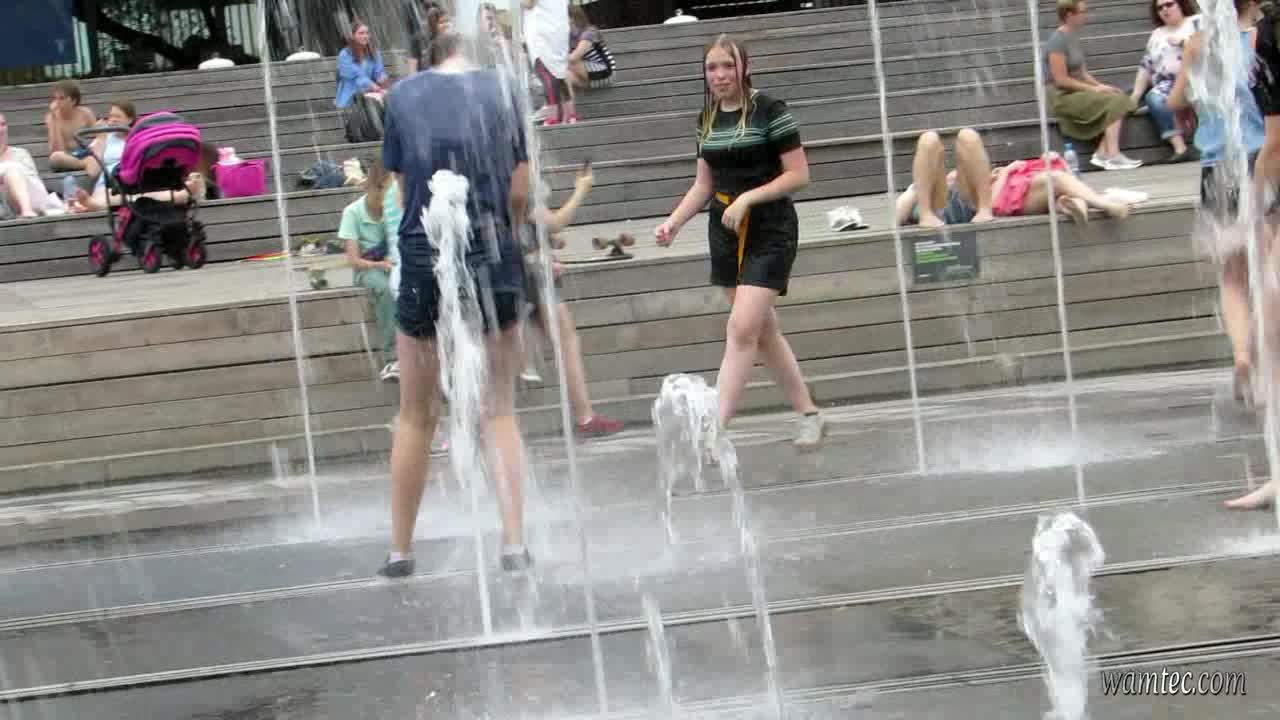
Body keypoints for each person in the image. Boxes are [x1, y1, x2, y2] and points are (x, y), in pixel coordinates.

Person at [378, 31, 534, 578]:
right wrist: (506, 232)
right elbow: (520, 191)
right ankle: (513, 544)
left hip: (424, 253)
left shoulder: (402, 94)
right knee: (498, 408)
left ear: (428, 59)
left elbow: (404, 192)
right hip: (492, 248)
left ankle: (400, 551)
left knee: (416, 414)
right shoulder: (505, 89)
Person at [653, 35, 825, 451]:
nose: (719, 75)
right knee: (762, 330)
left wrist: (749, 198)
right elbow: (703, 184)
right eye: (712, 67)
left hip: (770, 228)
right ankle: (809, 413)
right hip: (725, 230)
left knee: (743, 327)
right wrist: (673, 222)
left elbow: (798, 175)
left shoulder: (771, 110)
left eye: (727, 66)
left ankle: (715, 429)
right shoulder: (707, 118)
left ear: (745, 67)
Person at [523, 164, 625, 439]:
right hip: (534, 271)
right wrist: (581, 188)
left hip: (526, 267)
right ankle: (584, 418)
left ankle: (483, 422)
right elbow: (555, 221)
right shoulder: (514, 171)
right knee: (566, 341)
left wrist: (546, 241)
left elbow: (528, 224)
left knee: (548, 341)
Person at [1044, 0, 1142, 170]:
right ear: (1069, 15)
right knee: (1117, 102)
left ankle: (1102, 153)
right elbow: (1061, 80)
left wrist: (1102, 86)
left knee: (1117, 96)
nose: (1086, 15)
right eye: (1082, 12)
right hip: (1062, 97)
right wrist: (1094, 89)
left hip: (1076, 91)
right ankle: (1112, 156)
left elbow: (1082, 74)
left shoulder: (1072, 37)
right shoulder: (1057, 41)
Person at [338, 159, 400, 383]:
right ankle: (393, 357)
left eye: (389, 190)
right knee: (385, 289)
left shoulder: (393, 208)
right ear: (369, 187)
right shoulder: (352, 213)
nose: (383, 198)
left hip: (391, 264)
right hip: (367, 269)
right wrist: (379, 265)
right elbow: (353, 260)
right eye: (380, 190)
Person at [1130, 0, 1200, 163]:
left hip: (1197, 78)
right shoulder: (1157, 34)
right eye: (1160, 8)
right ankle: (1180, 148)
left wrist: (1182, 42)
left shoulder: (1196, 22)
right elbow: (1146, 66)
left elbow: (1208, 46)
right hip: (1168, 84)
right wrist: (1136, 95)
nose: (1164, 10)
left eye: (1169, 4)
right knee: (1154, 98)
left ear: (1180, 4)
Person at [894, 128, 995, 228]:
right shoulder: (916, 191)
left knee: (968, 135)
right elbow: (897, 215)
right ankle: (926, 214)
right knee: (928, 139)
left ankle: (984, 208)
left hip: (970, 200)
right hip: (934, 204)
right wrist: (914, 193)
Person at [521, 0, 577, 125]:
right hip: (558, 29)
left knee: (546, 74)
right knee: (560, 74)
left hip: (542, 33)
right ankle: (570, 114)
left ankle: (553, 117)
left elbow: (529, 3)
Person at [0, 113, 51, 218]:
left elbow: (33, 183)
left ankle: (26, 210)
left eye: (3, 124)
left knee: (11, 168)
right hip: (6, 208)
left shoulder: (21, 154)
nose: (1, 130)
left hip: (34, 200)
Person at [44, 80, 99, 175]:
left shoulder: (85, 113)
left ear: (73, 101)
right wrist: (55, 120)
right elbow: (57, 150)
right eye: (55, 98)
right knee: (55, 157)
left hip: (85, 153)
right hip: (66, 159)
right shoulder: (51, 118)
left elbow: (99, 136)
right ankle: (84, 164)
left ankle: (88, 162)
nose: (57, 102)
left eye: (61, 98)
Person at [567, 5, 614, 92]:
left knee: (568, 64)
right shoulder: (571, 36)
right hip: (589, 73)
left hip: (605, 71)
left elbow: (574, 58)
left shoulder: (589, 32)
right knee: (565, 75)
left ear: (572, 18)